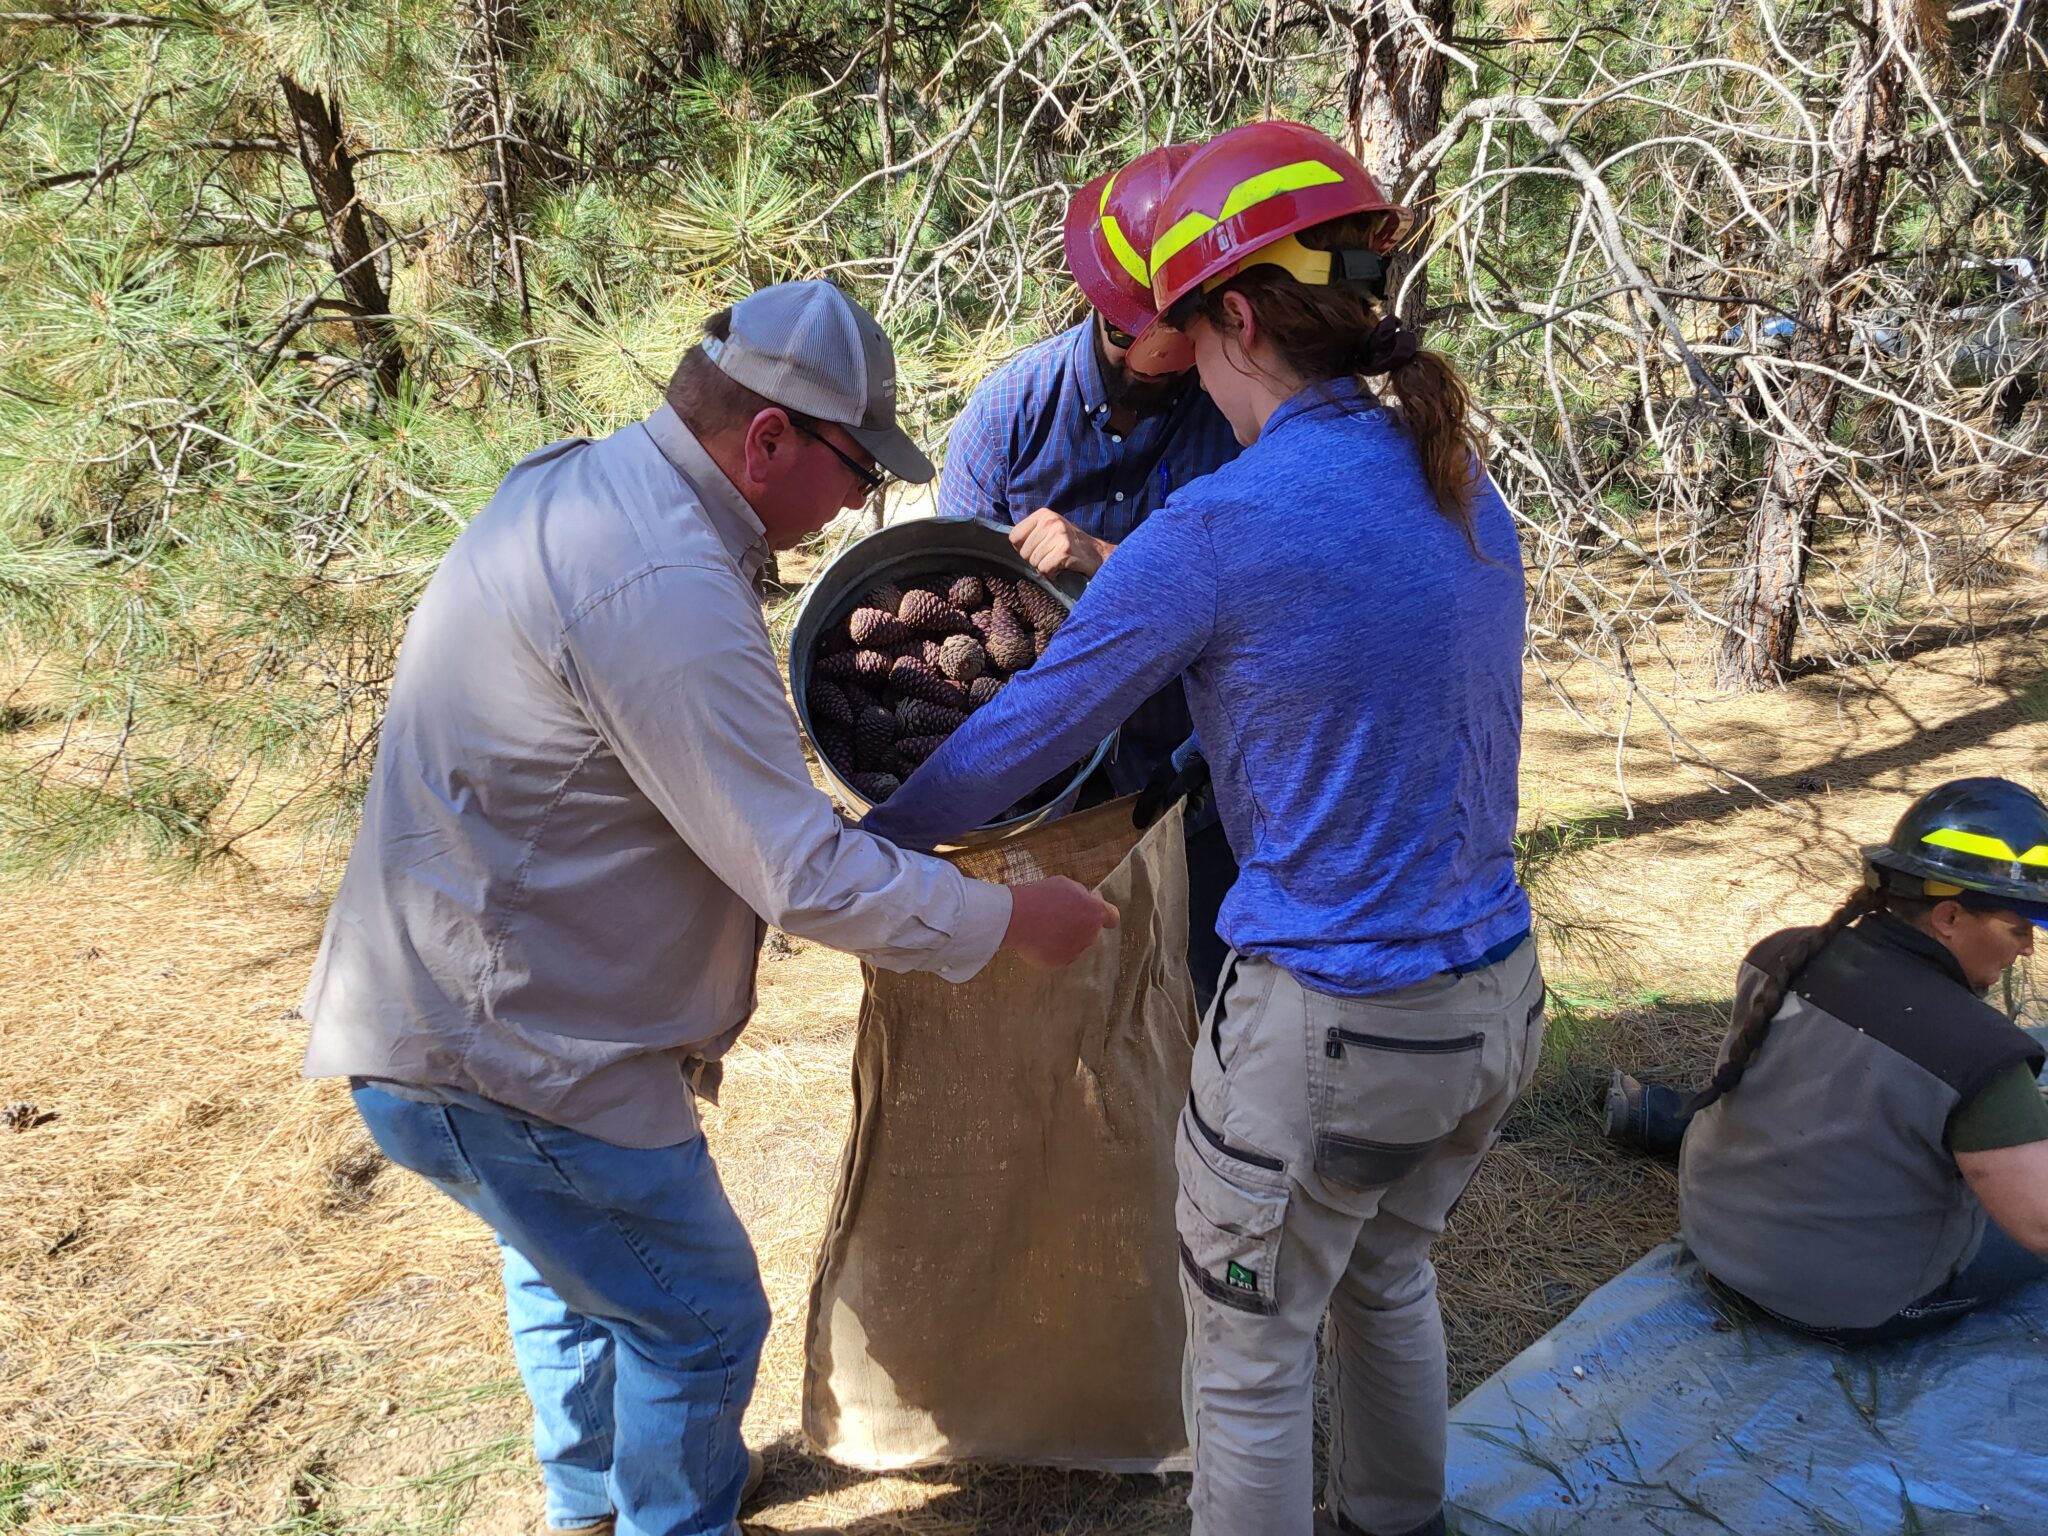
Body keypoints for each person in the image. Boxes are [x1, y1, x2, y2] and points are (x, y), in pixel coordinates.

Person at [298, 281, 1117, 1536]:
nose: (858, 503)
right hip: (512, 1051)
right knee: (696, 1316)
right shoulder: (660, 584)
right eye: (853, 467)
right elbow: (795, 872)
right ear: (769, 439)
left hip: (457, 1017)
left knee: (574, 1275)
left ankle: (589, 1508)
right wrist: (1010, 921)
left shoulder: (575, 490)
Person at [867, 122, 1542, 1536]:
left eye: (1186, 321)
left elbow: (1020, 734)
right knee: (1385, 1278)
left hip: (1332, 1030)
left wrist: (873, 839)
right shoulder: (1461, 479)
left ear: (1236, 316)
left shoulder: (1221, 527)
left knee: (1246, 1364)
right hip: (1492, 1004)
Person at [937, 142, 1244, 1012]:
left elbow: (1245, 599)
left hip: (1185, 779)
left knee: (1193, 1001)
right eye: (1128, 324)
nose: (1151, 342)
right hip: (1041, 791)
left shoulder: (1235, 422)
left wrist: (1103, 559)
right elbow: (944, 601)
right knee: (1040, 1014)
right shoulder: (1011, 409)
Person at [1624, 778, 2048, 1346]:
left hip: (1716, 1240)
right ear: (1949, 918)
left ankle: (1654, 1117)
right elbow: (2039, 1225)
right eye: (2022, 928)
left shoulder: (1783, 953)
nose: (2028, 948)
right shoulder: (1978, 1051)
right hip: (1848, 1304)